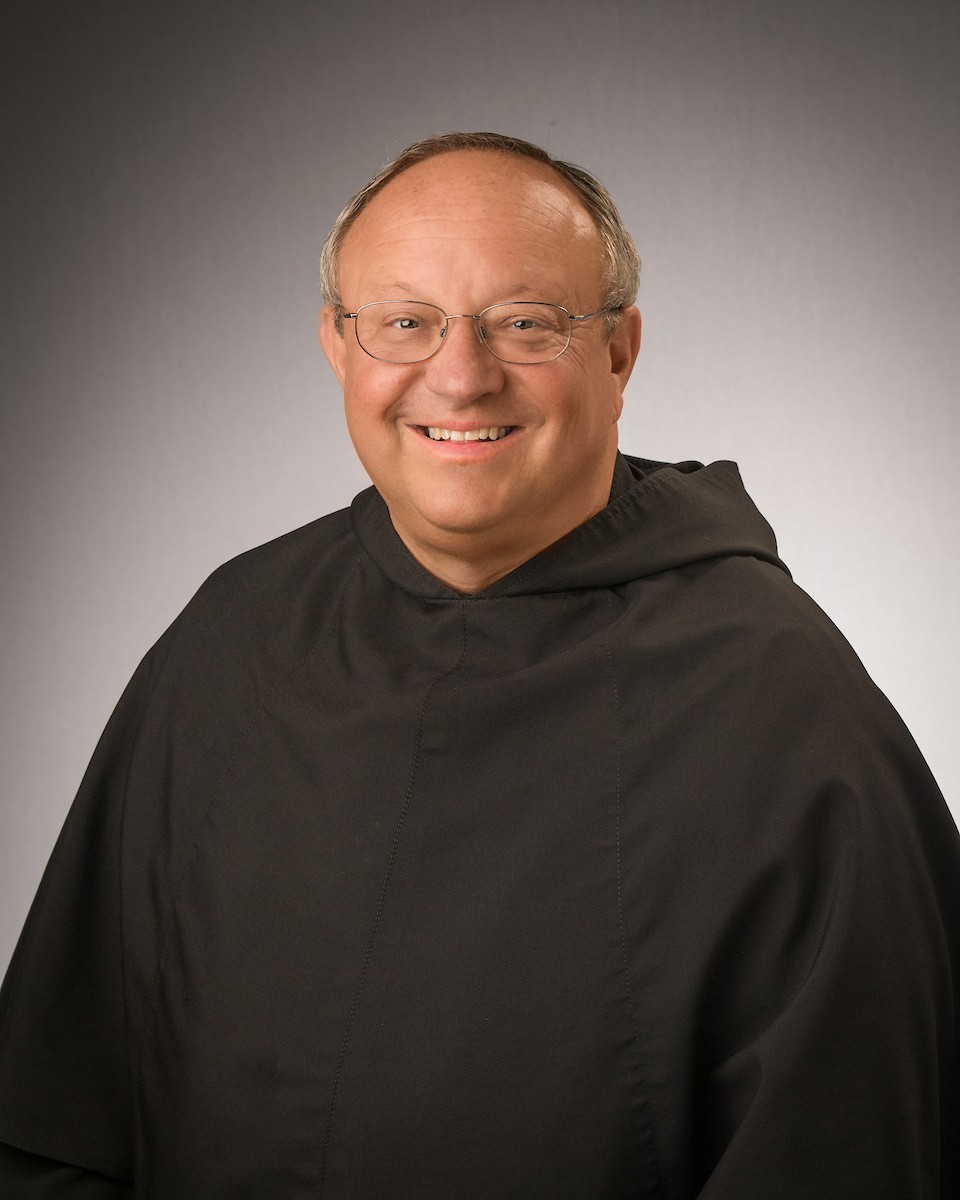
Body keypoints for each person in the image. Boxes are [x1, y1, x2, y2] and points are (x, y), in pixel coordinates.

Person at [0, 131, 956, 1198]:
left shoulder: (787, 705)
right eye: (405, 323)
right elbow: (56, 1126)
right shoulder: (234, 636)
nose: (460, 376)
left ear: (619, 352)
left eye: (525, 323)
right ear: (338, 347)